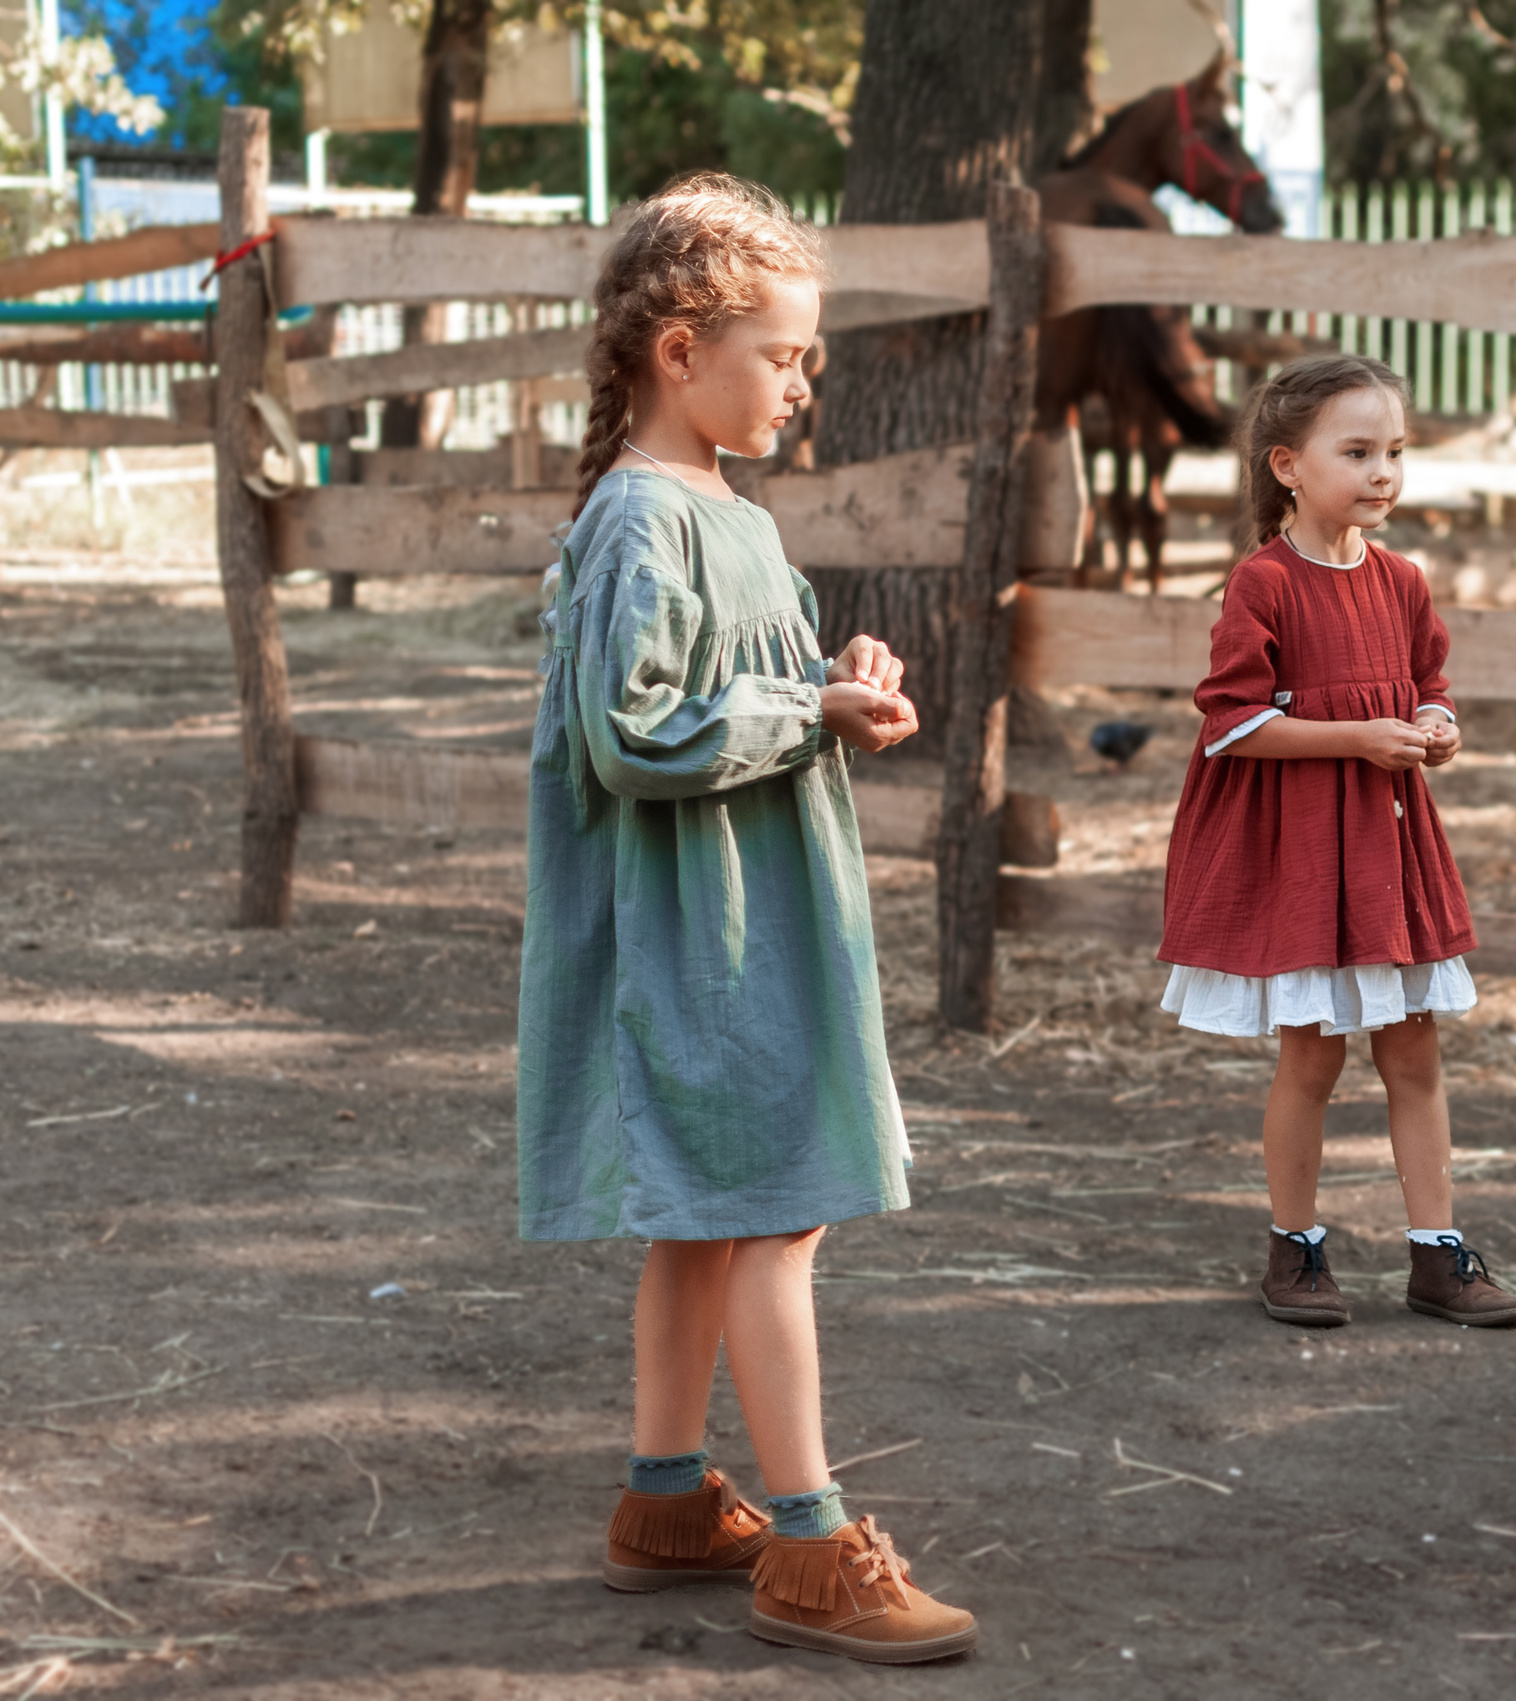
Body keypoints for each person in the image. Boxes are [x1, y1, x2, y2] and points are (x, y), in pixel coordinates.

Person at [515, 173, 974, 1666]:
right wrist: (804, 709)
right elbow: (633, 733)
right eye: (779, 354)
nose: (800, 380)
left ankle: (663, 1504)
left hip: (754, 912)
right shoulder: (642, 518)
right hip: (701, 936)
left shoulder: (729, 513)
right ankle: (812, 1547)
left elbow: (739, 690)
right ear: (678, 351)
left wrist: (834, 683)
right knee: (777, 1213)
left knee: (712, 1225)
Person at [1158, 353, 1516, 1331]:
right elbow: (1233, 726)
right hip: (1305, 855)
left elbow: (1430, 686)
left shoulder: (1401, 582)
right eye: (1357, 451)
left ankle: (1437, 1255)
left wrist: (1436, 727)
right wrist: (1358, 738)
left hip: (1388, 847)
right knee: (1313, 1060)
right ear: (1287, 465)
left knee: (1415, 1053)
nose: (1383, 473)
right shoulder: (1262, 584)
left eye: (1395, 452)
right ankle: (1296, 1248)